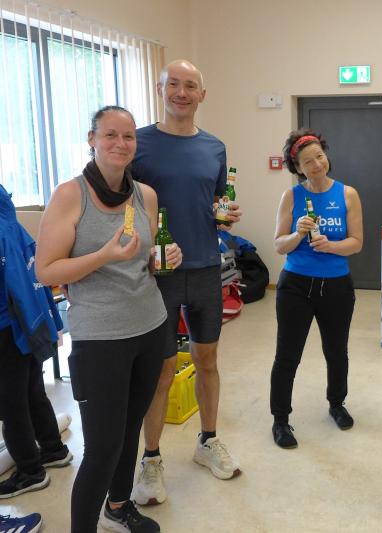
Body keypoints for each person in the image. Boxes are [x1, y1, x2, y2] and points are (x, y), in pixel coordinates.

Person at [35, 105, 182, 532]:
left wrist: (165, 258)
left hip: (150, 326)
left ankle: (118, 506)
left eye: (129, 136)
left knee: (130, 427)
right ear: (92, 140)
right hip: (100, 338)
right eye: (110, 135)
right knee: (101, 447)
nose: (121, 143)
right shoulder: (71, 195)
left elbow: (143, 263)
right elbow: (46, 271)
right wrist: (103, 255)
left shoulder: (145, 195)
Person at [131, 59, 242, 505]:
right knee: (160, 371)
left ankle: (207, 441)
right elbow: (120, 205)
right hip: (156, 275)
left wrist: (226, 214)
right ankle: (151, 459)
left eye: (190, 85)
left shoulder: (215, 147)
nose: (181, 92)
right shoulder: (138, 143)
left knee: (207, 360)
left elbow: (216, 202)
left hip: (206, 268)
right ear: (160, 89)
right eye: (173, 84)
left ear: (202, 95)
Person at [270, 129, 363, 449]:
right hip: (295, 285)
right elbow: (279, 245)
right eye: (308, 161)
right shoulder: (292, 197)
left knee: (336, 352)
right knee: (287, 355)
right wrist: (298, 234)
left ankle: (337, 404)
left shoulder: (348, 194)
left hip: (337, 285)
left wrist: (331, 246)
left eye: (319, 156)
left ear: (326, 155)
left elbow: (357, 243)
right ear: (297, 167)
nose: (317, 165)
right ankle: (280, 420)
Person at [0, 185, 71, 500]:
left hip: (7, 326)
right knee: (31, 390)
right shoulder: (7, 219)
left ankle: (30, 472)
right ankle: (53, 450)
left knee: (10, 403)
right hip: (26, 322)